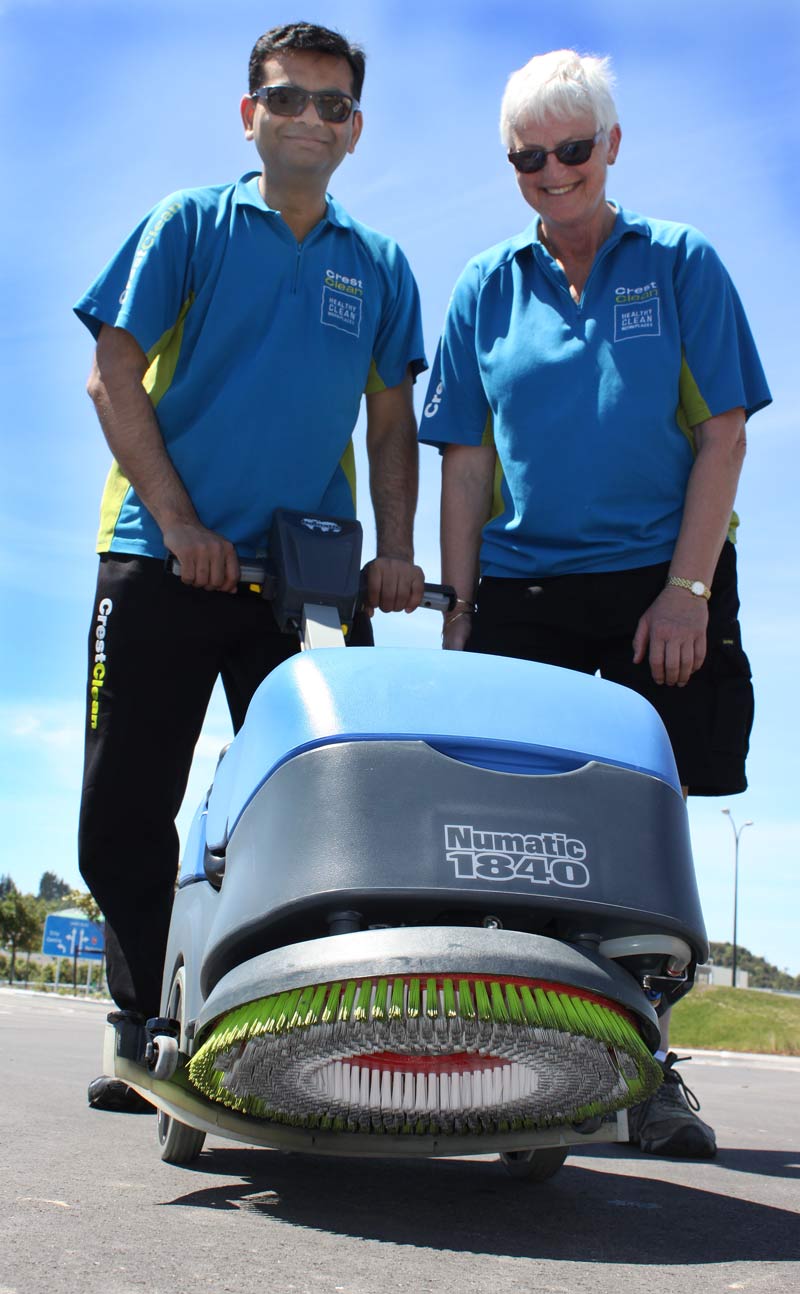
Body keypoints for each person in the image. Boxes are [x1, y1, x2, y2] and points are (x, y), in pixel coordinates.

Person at [419, 49, 771, 1158]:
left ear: (610, 147)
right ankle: (532, 1068)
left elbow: (722, 432)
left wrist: (684, 589)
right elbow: (465, 463)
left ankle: (647, 1072)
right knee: (511, 834)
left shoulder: (678, 264)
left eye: (572, 148)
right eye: (527, 156)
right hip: (523, 586)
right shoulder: (483, 285)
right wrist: (458, 611)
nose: (552, 171)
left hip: (654, 580)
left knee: (637, 832)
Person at [75, 22, 427, 1111]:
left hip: (307, 581)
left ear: (354, 131)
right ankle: (147, 1025)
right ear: (250, 115)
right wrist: (179, 521)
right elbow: (111, 376)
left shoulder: (375, 267)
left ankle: (319, 1025)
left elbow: (387, 425)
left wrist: (399, 552)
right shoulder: (187, 225)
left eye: (331, 104)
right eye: (287, 98)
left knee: (340, 803)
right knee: (126, 804)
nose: (308, 118)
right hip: (159, 559)